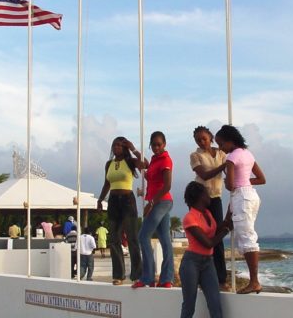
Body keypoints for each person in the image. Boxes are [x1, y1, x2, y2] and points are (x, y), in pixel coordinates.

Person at [215, 125, 266, 294]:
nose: (221, 148)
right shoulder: (248, 154)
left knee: (247, 238)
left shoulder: (230, 158)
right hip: (251, 195)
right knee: (247, 235)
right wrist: (244, 182)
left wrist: (228, 182)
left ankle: (254, 282)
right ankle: (254, 281)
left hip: (241, 197)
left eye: (221, 144)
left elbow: (230, 186)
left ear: (230, 141)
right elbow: (261, 178)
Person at [179, 181, 232, 318]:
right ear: (200, 196)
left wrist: (227, 217)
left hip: (208, 262)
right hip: (192, 263)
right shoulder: (189, 218)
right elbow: (208, 243)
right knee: (189, 306)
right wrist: (226, 230)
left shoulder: (207, 213)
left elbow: (214, 232)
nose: (209, 196)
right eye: (206, 193)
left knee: (215, 305)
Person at [97, 136, 143, 285]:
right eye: (114, 145)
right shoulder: (108, 164)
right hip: (113, 201)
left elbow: (146, 164)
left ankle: (137, 274)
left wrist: (133, 148)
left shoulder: (130, 162)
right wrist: (100, 200)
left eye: (119, 145)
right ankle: (118, 275)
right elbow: (107, 184)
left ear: (124, 148)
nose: (116, 147)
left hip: (128, 200)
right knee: (114, 239)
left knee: (132, 238)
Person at [132, 131, 174, 288]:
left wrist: (151, 203)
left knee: (143, 236)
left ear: (164, 144)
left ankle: (148, 277)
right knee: (165, 239)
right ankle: (166, 280)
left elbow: (167, 185)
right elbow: (148, 172)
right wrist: (135, 151)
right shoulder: (155, 160)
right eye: (153, 145)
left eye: (159, 144)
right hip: (158, 201)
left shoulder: (165, 160)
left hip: (162, 202)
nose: (156, 147)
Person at [190, 126, 229, 290]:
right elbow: (204, 175)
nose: (201, 141)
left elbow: (231, 169)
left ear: (210, 137)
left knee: (218, 238)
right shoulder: (195, 155)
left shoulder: (221, 154)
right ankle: (201, 279)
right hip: (200, 200)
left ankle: (221, 279)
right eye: (198, 139)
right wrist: (224, 166)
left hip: (216, 198)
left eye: (204, 138)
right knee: (201, 239)